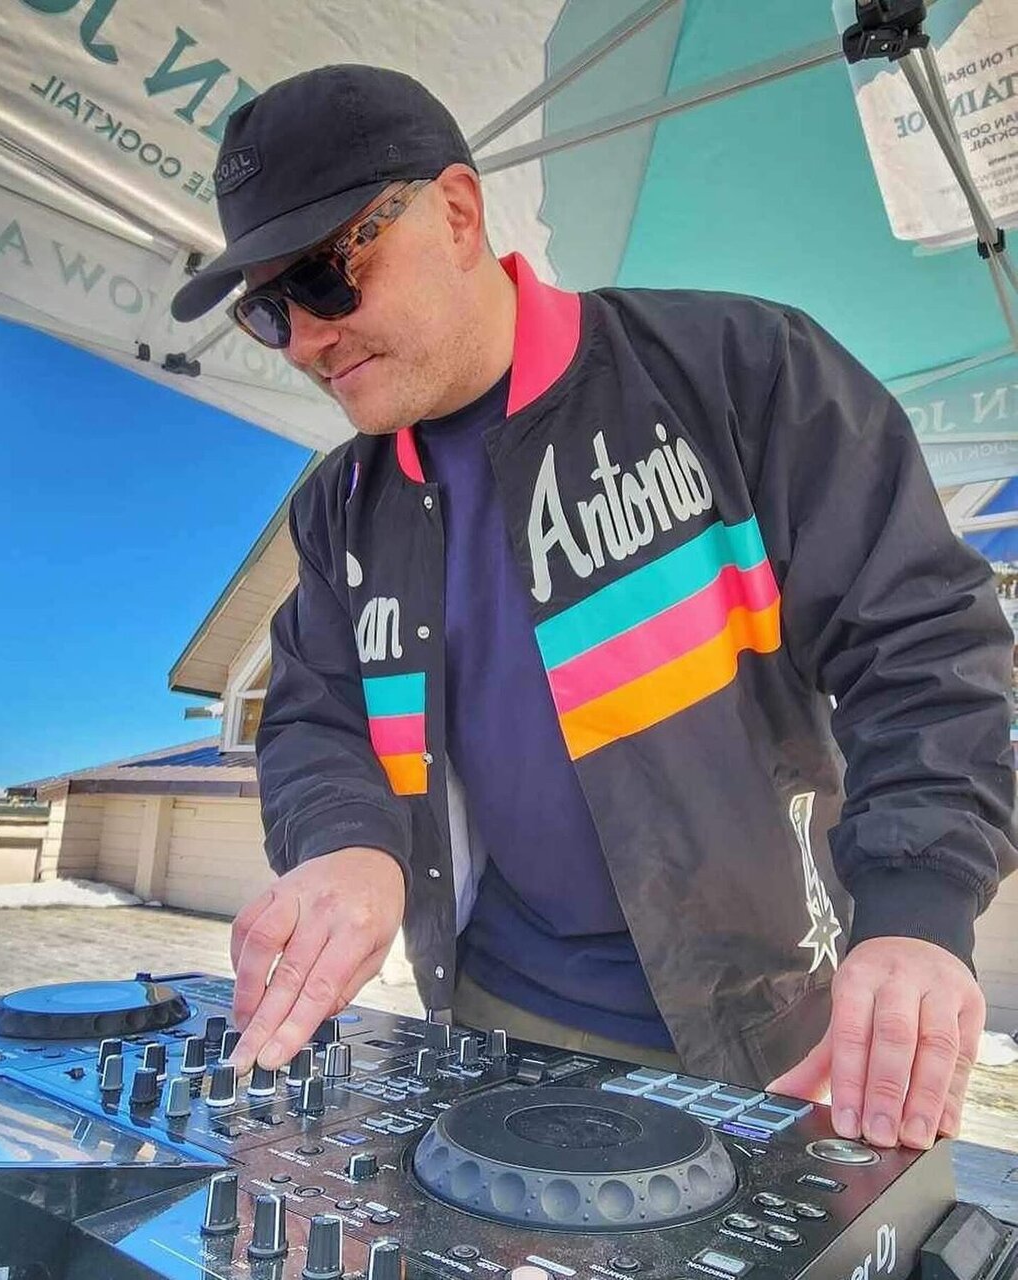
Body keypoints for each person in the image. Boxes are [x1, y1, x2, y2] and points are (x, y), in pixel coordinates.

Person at [171, 64, 1017, 1153]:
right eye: (265, 311)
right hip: (491, 1026)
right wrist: (345, 843)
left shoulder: (740, 373)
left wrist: (915, 911)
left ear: (457, 213)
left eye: (325, 280)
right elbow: (314, 715)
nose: (302, 340)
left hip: (778, 1029)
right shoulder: (339, 510)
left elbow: (925, 642)